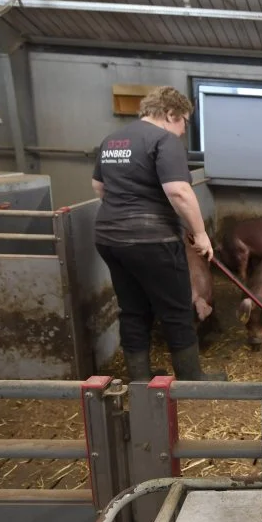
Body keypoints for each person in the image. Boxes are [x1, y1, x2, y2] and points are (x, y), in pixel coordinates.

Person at [92, 86, 213, 382]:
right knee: (176, 310)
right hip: (152, 240)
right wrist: (201, 234)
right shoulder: (164, 140)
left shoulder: (112, 140)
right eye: (184, 120)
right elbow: (179, 191)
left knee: (132, 309)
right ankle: (192, 381)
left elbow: (99, 187)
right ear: (170, 113)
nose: (184, 130)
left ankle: (139, 379)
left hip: (109, 238)